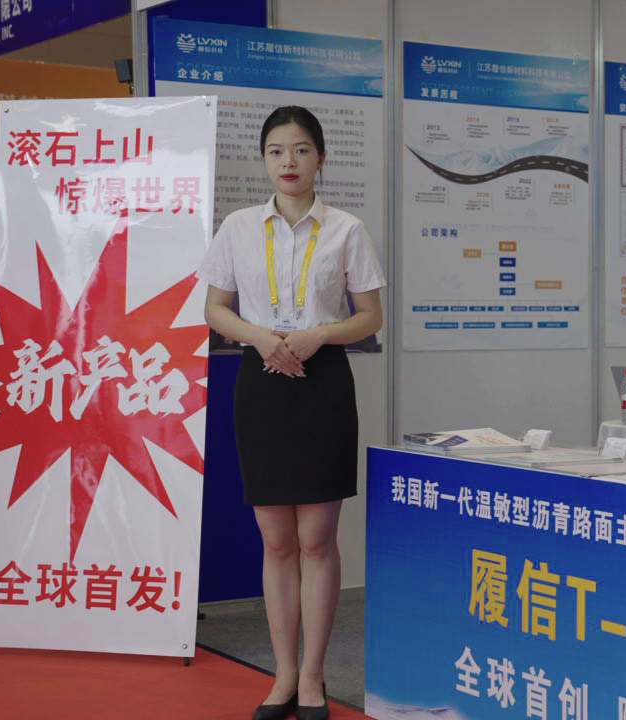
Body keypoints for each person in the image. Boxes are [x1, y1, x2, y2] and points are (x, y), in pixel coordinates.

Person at [199, 106, 384, 720]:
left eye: (301, 150)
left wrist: (319, 334)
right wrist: (259, 336)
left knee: (316, 539)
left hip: (321, 379)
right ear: (264, 159)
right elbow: (214, 309)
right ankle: (281, 674)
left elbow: (370, 317)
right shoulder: (238, 227)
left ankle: (312, 676)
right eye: (276, 150)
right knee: (277, 541)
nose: (288, 161)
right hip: (261, 379)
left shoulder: (347, 229)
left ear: (321, 158)